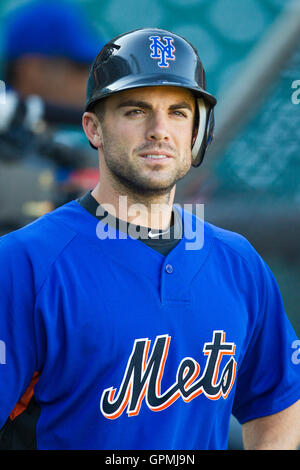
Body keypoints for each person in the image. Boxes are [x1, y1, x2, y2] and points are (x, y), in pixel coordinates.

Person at [0, 28, 299, 451]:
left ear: (199, 130)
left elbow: (279, 402)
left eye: (178, 112)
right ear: (94, 127)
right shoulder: (23, 263)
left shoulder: (239, 264)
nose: (160, 130)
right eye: (136, 110)